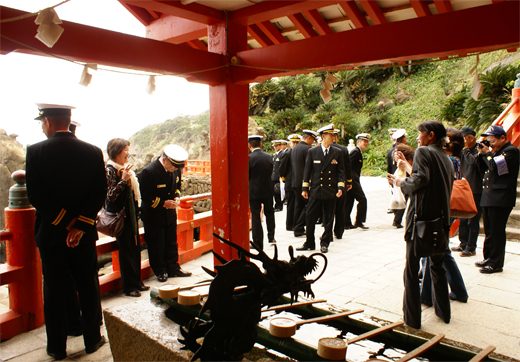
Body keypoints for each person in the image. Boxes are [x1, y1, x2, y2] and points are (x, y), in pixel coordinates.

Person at [26, 104, 107, 360]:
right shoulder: (93, 152)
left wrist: (64, 223)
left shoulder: (35, 151)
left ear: (48, 121)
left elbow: (36, 195)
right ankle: (93, 339)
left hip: (51, 235)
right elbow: (99, 193)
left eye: (42, 122)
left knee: (55, 289)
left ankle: (57, 348)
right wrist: (80, 225)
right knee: (88, 284)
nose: (42, 127)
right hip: (83, 236)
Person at [388, 120, 453, 329]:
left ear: (431, 135)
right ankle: (444, 313)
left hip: (420, 220)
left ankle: (412, 319)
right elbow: (427, 180)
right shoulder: (446, 158)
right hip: (441, 220)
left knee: (411, 270)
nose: (417, 138)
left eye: (420, 133)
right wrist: (407, 168)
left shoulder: (424, 152)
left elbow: (420, 180)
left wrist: (399, 182)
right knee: (437, 267)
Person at [420, 127, 468, 305]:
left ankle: (425, 294)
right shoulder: (453, 159)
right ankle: (458, 290)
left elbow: (426, 181)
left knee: (432, 250)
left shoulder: (444, 159)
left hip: (439, 210)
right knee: (442, 251)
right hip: (446, 210)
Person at [139, 144, 192, 282]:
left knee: (171, 242)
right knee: (157, 244)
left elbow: (177, 187)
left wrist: (177, 197)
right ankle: (160, 270)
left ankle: (174, 268)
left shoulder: (175, 170)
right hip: (153, 215)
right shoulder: (148, 171)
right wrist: (163, 203)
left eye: (177, 167)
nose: (175, 169)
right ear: (165, 160)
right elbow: (145, 196)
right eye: (173, 166)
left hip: (169, 213)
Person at [105, 138, 149, 297]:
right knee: (126, 251)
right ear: (116, 151)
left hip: (131, 215)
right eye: (125, 150)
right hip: (120, 217)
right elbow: (109, 197)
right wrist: (123, 180)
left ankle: (137, 281)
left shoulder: (123, 168)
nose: (128, 153)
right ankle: (129, 287)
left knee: (135, 248)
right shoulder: (109, 169)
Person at [475, 125, 519, 274]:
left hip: (501, 198)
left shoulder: (511, 151)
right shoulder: (496, 152)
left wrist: (487, 154)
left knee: (497, 231)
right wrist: (482, 154)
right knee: (489, 230)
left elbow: (499, 168)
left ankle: (496, 263)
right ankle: (488, 257)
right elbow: (485, 170)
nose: (490, 144)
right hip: (489, 196)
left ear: (503, 138)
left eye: (493, 141)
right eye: (489, 141)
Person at [297, 124, 345, 253]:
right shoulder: (312, 152)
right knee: (310, 217)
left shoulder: (337, 152)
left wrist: (341, 187)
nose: (333, 138)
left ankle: (325, 243)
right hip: (316, 190)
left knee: (329, 218)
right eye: (331, 136)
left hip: (330, 191)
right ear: (324, 137)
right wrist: (305, 188)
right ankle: (309, 242)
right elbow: (307, 171)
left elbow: (340, 172)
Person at [451, 126, 483, 257]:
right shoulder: (462, 151)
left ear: (471, 137)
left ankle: (471, 247)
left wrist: (465, 150)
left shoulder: (478, 150)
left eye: (464, 139)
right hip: (463, 187)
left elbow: (472, 162)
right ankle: (463, 243)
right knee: (462, 218)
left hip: (476, 189)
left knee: (473, 220)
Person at [248, 135, 276, 249]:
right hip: (268, 190)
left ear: (249, 146)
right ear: (260, 145)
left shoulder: (249, 158)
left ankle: (258, 242)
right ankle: (271, 237)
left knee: (255, 216)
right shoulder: (269, 157)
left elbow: (247, 176)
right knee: (269, 213)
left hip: (254, 191)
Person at [291, 130, 318, 237]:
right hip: (304, 183)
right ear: (309, 138)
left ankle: (297, 227)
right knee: (309, 205)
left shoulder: (295, 148)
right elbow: (309, 168)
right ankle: (299, 227)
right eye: (312, 140)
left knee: (298, 206)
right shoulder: (308, 149)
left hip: (295, 182)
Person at [345, 133, 370, 230]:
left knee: (349, 201)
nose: (366, 143)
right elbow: (348, 165)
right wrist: (349, 180)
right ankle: (359, 221)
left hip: (353, 179)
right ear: (358, 142)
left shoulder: (358, 152)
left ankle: (346, 223)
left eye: (367, 142)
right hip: (352, 180)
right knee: (362, 199)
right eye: (364, 141)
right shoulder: (355, 152)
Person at [331, 130, 352, 239]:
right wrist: (349, 181)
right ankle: (339, 232)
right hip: (341, 182)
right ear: (336, 137)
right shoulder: (343, 149)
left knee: (329, 210)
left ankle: (328, 232)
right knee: (340, 209)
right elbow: (348, 168)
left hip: (328, 184)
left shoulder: (322, 149)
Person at [279, 134, 301, 231]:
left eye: (297, 142)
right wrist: (284, 179)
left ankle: (297, 223)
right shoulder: (288, 154)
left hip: (298, 183)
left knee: (298, 204)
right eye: (294, 142)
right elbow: (282, 168)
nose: (295, 144)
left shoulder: (300, 153)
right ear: (291, 144)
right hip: (290, 182)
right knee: (291, 204)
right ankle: (290, 224)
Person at [271, 140, 284, 211]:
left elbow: (281, 166)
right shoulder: (275, 154)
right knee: (275, 192)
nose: (275, 147)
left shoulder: (282, 154)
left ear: (280, 146)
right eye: (274, 146)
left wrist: (280, 176)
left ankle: (279, 206)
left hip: (278, 176)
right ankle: (276, 205)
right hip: (274, 176)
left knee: (278, 191)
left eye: (277, 146)